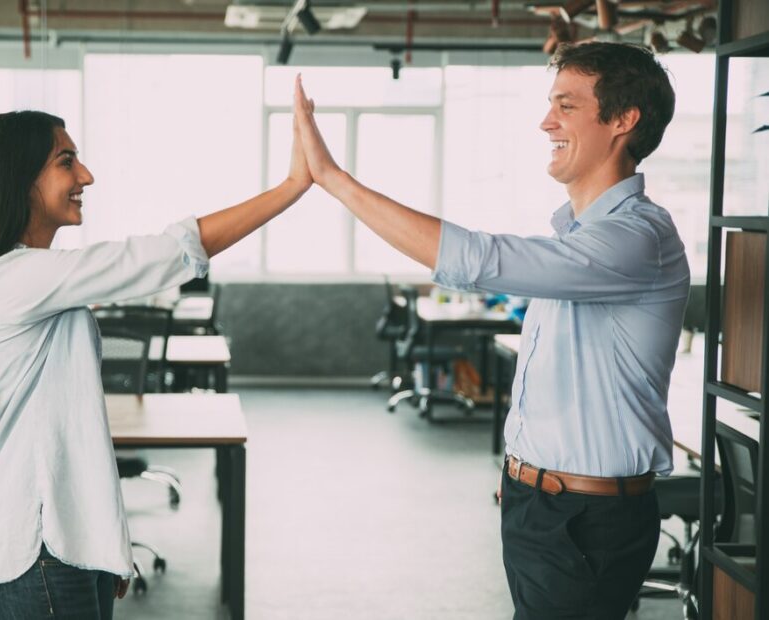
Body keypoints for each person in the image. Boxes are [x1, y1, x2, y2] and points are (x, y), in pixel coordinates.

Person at [294, 42, 689, 619]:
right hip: (542, 500)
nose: (546, 121)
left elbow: (478, 259)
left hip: (586, 517)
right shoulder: (580, 237)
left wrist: (332, 178)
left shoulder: (636, 238)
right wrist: (522, 468)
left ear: (623, 120)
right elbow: (555, 373)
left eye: (567, 105)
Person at [0, 110, 311, 618]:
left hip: (55, 552)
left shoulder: (20, 280)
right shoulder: (14, 279)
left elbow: (70, 435)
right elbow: (161, 255)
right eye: (67, 161)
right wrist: (293, 186)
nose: (86, 176)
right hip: (35, 556)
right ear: (20, 179)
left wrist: (105, 547)